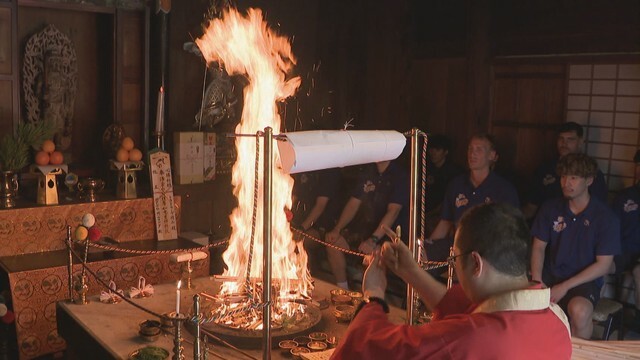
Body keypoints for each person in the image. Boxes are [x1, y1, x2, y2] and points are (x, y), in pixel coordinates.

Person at [330, 203, 572, 359]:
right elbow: (471, 308)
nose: (455, 267)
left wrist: (374, 296)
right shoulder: (557, 320)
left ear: (476, 263)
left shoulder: (469, 340)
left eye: (455, 258)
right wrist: (411, 272)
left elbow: (372, 347)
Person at [531, 153, 620, 339]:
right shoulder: (550, 208)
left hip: (583, 280)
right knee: (523, 305)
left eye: (573, 177)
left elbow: (604, 265)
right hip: (551, 273)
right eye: (563, 176)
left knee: (579, 311)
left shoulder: (604, 217)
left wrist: (564, 286)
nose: (566, 183)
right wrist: (537, 282)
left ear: (589, 180)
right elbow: (538, 247)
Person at [425, 133, 519, 265]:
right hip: (457, 244)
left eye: (479, 150)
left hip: (488, 250)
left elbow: (510, 232)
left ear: (492, 155)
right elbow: (445, 222)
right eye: (470, 149)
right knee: (421, 255)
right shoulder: (456, 184)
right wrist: (428, 245)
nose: (472, 154)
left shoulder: (504, 190)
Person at [325, 160, 409, 290]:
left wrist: (373, 239)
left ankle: (372, 300)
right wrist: (337, 229)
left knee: (374, 255)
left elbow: (393, 211)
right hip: (364, 230)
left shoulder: (400, 175)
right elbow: (353, 203)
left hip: (390, 236)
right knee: (332, 241)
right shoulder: (368, 171)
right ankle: (343, 291)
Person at [523, 121, 608, 220]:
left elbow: (598, 210)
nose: (564, 143)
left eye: (570, 139)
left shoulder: (591, 172)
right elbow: (532, 206)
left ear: (580, 142)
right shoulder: (544, 169)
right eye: (561, 139)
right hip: (547, 222)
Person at [290, 167, 343, 275]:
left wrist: (302, 229)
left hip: (320, 227)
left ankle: (303, 279)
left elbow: (320, 206)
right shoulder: (304, 167)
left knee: (295, 243)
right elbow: (294, 196)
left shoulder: (329, 171)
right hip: (298, 223)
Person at [612, 150, 640, 331]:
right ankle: (612, 312)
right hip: (621, 250)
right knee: (598, 267)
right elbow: (611, 227)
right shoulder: (625, 196)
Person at [425, 134, 463, 214]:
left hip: (445, 212)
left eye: (437, 150)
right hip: (425, 211)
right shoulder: (426, 169)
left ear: (446, 152)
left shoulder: (454, 172)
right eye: (431, 149)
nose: (433, 153)